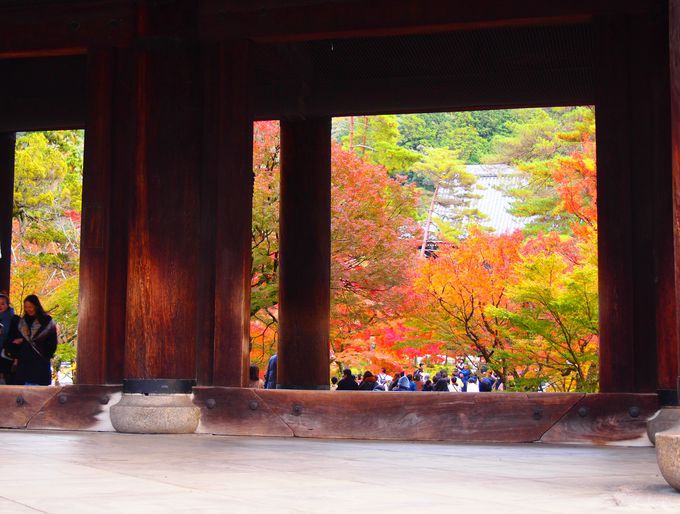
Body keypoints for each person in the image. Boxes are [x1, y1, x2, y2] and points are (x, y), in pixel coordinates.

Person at [9, 295, 57, 386]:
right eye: (26, 307)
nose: (28, 309)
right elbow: (16, 338)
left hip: (40, 360)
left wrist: (47, 354)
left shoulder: (47, 321)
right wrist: (19, 342)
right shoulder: (21, 322)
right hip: (24, 361)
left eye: (30, 307)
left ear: (36, 306)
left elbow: (52, 342)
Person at [0, 294, 19, 385]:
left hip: (7, 355)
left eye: (3, 304)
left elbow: (19, 337)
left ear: (8, 305)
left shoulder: (14, 319)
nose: (0, 306)